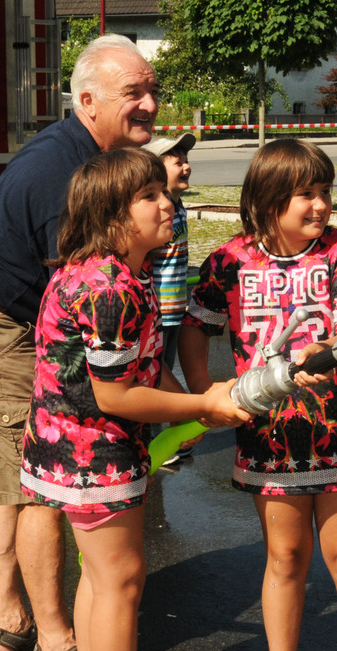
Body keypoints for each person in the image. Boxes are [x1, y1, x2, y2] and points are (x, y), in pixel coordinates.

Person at [0, 34, 159, 651]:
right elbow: (89, 297)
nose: (147, 104)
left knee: (11, 471)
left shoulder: (87, 153)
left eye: (150, 90)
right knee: (38, 485)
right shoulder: (72, 176)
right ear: (85, 100)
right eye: (131, 94)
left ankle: (9, 620)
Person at [20, 147, 248, 651]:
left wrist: (196, 406)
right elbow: (115, 393)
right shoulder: (114, 288)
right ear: (114, 218)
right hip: (94, 457)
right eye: (150, 197)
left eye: (163, 194)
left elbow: (142, 368)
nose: (167, 204)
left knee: (100, 580)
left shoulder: (101, 272)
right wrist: (203, 403)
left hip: (67, 450)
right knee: (120, 582)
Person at [178, 139, 337, 651]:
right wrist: (207, 392)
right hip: (269, 438)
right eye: (307, 194)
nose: (321, 205)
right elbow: (196, 327)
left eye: (325, 192)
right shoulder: (228, 263)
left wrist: (331, 350)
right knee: (285, 560)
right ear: (270, 201)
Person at [143, 133, 197, 466]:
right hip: (157, 312)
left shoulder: (178, 207)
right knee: (152, 377)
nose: (187, 167)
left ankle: (165, 438)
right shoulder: (154, 213)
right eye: (177, 162)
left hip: (175, 309)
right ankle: (149, 446)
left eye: (186, 160)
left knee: (166, 373)